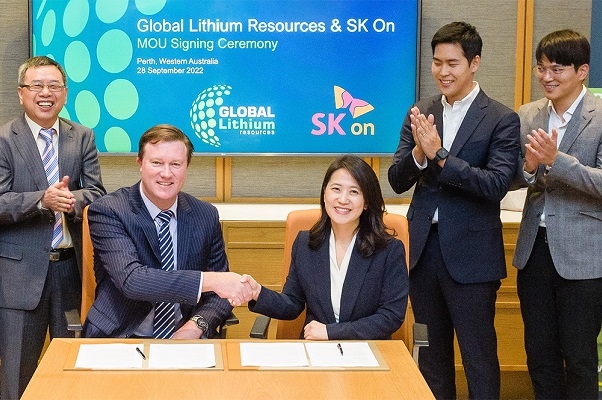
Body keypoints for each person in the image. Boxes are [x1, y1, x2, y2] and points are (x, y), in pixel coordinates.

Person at [388, 21, 520, 399]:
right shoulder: (420, 111)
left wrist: (441, 156)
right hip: (422, 252)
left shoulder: (500, 118)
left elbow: (495, 185)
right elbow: (397, 180)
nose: (442, 72)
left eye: (452, 63)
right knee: (431, 356)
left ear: (474, 63)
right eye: (437, 63)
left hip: (472, 257)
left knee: (479, 357)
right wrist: (419, 153)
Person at [83, 124, 252, 340]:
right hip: (121, 336)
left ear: (186, 167)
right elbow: (132, 281)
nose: (166, 173)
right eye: (156, 163)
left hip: (185, 339)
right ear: (140, 163)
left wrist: (196, 326)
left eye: (175, 164)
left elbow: (220, 295)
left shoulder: (205, 215)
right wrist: (210, 281)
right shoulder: (109, 210)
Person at [0, 55, 106, 399]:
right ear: (21, 93)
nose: (46, 93)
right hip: (19, 277)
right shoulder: (4, 139)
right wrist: (42, 200)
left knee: (73, 371)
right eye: (37, 85)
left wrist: (69, 200)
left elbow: (97, 193)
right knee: (16, 377)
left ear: (65, 93)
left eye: (54, 86)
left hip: (70, 272)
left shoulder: (82, 136)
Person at [512, 29, 602, 400]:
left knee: (579, 359)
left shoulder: (600, 116)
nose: (547, 77)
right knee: (540, 356)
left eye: (557, 69)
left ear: (582, 71)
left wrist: (556, 161)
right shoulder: (528, 115)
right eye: (541, 68)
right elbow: (515, 175)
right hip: (534, 251)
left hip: (584, 258)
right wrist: (529, 167)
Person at [242, 155, 409, 340]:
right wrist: (257, 293)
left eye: (354, 192)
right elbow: (292, 303)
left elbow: (391, 316)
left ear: (367, 202)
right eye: (336, 189)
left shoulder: (389, 250)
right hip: (316, 349)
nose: (343, 199)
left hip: (367, 348)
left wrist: (331, 332)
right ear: (324, 194)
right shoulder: (305, 243)